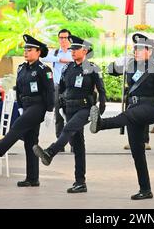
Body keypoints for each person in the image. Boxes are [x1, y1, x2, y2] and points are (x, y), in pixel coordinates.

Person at [88, 33, 154, 200]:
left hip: (150, 107)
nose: (136, 51)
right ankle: (145, 189)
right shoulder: (130, 65)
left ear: (149, 52)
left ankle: (101, 124)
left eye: (141, 49)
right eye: (135, 48)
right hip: (134, 108)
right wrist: (118, 62)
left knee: (128, 115)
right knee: (137, 152)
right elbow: (110, 71)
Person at [32, 35, 106, 194]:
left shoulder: (92, 68)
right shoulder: (68, 68)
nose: (72, 52)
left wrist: (100, 110)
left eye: (75, 49)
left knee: (67, 130)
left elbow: (101, 90)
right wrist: (59, 105)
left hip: (85, 108)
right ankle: (80, 182)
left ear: (84, 51)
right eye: (71, 49)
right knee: (77, 145)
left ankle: (50, 152)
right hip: (69, 109)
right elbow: (63, 89)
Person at [0, 35, 54, 187]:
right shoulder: (21, 68)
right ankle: (32, 178)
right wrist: (20, 106)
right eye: (25, 49)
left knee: (17, 126)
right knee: (30, 142)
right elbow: (18, 89)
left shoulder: (43, 69)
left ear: (38, 52)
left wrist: (49, 111)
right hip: (26, 106)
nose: (26, 52)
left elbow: (50, 91)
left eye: (30, 49)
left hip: (38, 106)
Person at [41, 29, 73, 145]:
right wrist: (59, 59)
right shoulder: (55, 53)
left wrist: (68, 60)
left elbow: (77, 60)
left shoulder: (73, 51)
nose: (63, 40)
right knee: (58, 115)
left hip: (70, 87)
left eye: (65, 38)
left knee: (71, 115)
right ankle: (60, 142)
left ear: (69, 38)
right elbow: (42, 58)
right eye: (61, 38)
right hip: (57, 86)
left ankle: (74, 142)